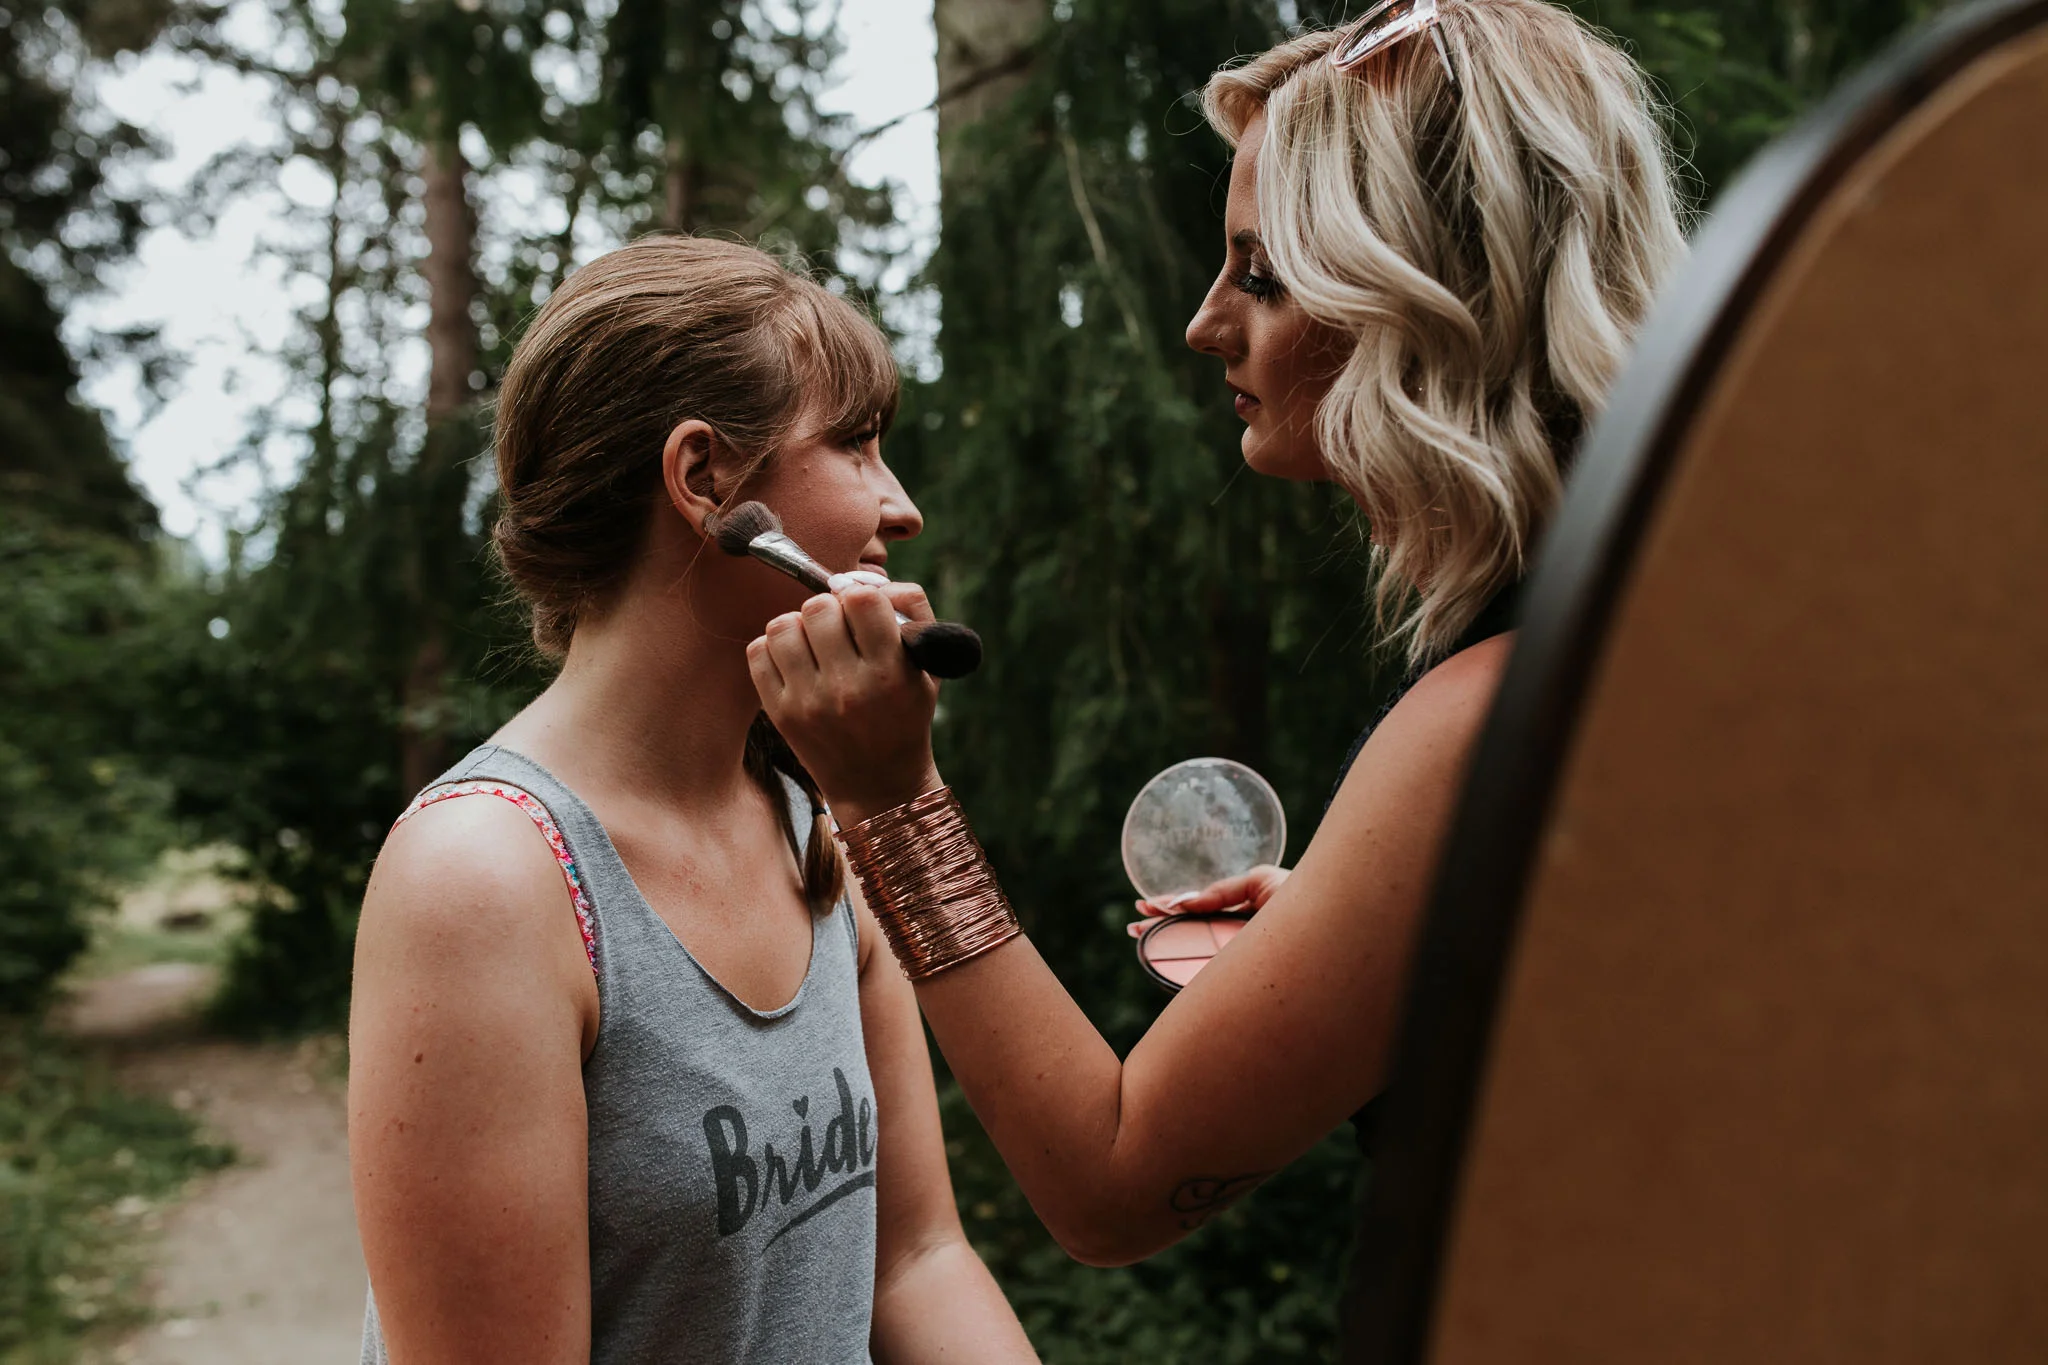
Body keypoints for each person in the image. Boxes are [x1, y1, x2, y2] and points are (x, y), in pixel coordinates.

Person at [746, 0, 1687, 1269]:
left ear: (1419, 292)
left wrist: (890, 804)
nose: (1204, 322)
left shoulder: (1496, 718)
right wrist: (1354, 927)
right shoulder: (1658, 624)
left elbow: (1113, 1184)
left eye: (1260, 272)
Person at [347, 236, 1038, 1364]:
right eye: (856, 443)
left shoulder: (819, 822)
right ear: (707, 480)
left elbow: (918, 1260)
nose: (899, 505)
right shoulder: (484, 882)